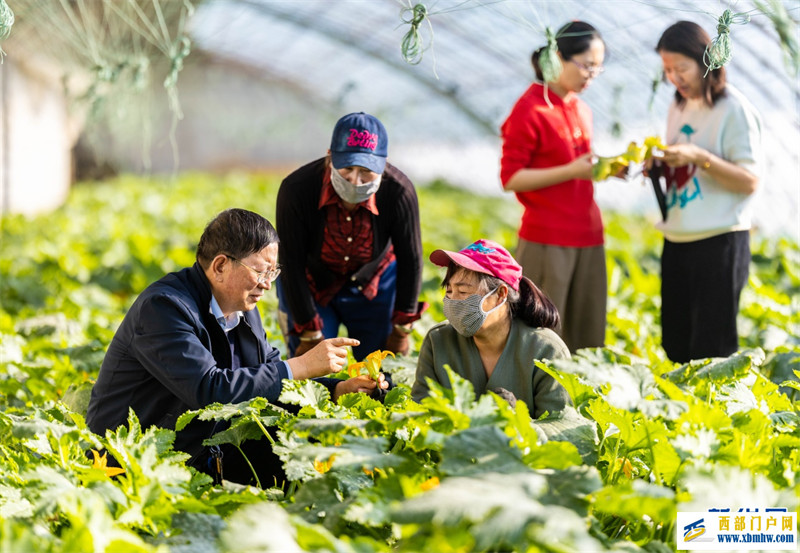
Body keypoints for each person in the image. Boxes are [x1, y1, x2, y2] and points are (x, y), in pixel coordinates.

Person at [86, 209, 386, 487]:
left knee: (309, 453)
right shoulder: (163, 307)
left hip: (207, 449)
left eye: (273, 273)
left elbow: (268, 378)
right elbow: (210, 390)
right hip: (133, 464)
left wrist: (337, 390)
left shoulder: (243, 309)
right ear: (220, 266)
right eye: (261, 272)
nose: (267, 285)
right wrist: (303, 364)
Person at [275, 112, 425, 361]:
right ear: (329, 157)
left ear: (383, 163)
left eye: (366, 171)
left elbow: (411, 259)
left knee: (380, 367)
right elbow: (291, 261)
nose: (356, 180)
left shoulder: (399, 192)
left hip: (374, 282)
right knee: (313, 363)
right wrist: (308, 330)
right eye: (347, 168)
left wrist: (401, 328)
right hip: (313, 282)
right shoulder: (296, 189)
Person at [654, 21, 762, 363]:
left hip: (719, 241)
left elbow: (750, 180)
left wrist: (700, 158)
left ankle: (706, 415)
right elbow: (681, 164)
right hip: (678, 238)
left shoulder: (733, 109)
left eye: (681, 68)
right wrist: (658, 164)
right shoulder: (678, 107)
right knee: (675, 343)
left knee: (711, 349)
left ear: (706, 61)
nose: (674, 78)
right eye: (667, 70)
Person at [499, 21, 607, 353]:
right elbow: (511, 178)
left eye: (597, 69)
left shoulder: (580, 108)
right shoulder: (531, 108)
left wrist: (604, 169)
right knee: (539, 335)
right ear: (559, 57)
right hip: (547, 238)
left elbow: (575, 168)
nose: (591, 75)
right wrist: (571, 170)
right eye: (586, 65)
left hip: (588, 233)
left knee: (586, 332)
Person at [411, 239, 571, 418]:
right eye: (449, 292)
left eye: (463, 292)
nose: (454, 301)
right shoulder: (438, 341)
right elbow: (419, 413)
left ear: (501, 294)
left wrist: (517, 420)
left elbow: (560, 427)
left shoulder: (547, 350)